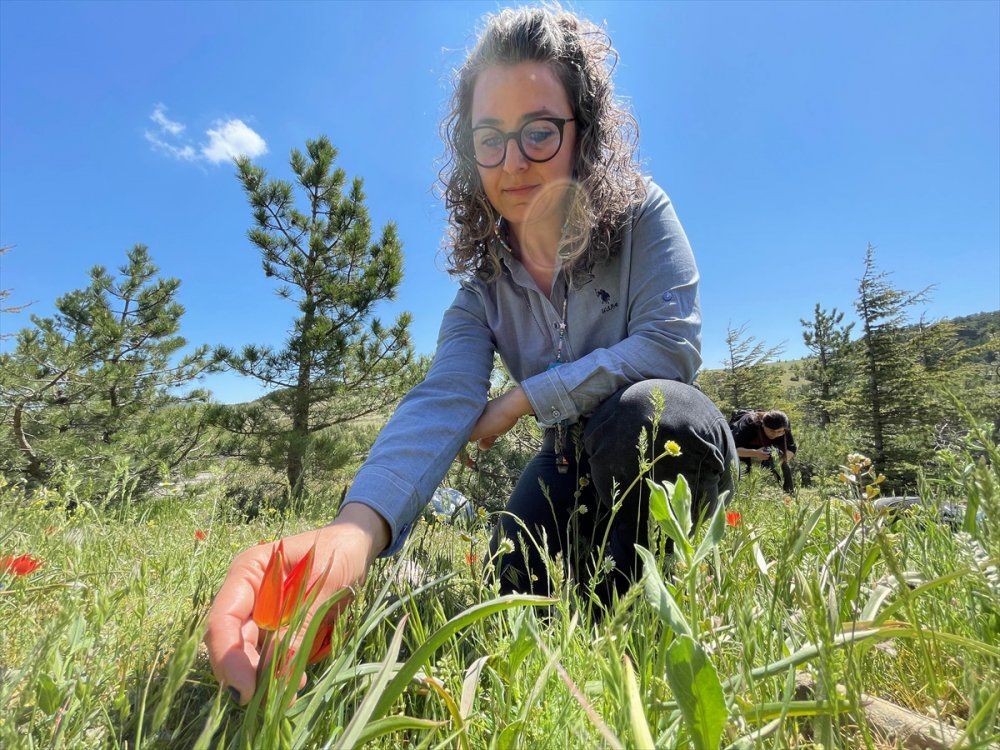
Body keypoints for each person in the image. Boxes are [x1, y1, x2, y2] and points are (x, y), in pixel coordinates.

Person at [205, 5, 736, 704]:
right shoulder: (482, 291)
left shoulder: (644, 217)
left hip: (659, 439)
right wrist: (353, 533)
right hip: (564, 459)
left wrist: (524, 398)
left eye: (540, 131)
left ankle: (638, 635)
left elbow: (670, 348)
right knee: (510, 580)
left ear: (585, 131)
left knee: (650, 415)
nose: (513, 162)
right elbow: (443, 398)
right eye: (490, 138)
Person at [730, 409, 797, 493]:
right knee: (743, 467)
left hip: (768, 444)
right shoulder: (748, 424)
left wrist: (778, 462)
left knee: (782, 462)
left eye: (780, 431)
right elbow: (733, 450)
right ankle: (740, 492)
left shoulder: (784, 424)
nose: (775, 434)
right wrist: (755, 453)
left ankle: (789, 493)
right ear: (763, 425)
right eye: (772, 431)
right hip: (745, 445)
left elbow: (791, 449)